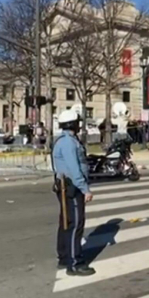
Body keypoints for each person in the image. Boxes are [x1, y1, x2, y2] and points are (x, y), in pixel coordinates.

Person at [52, 110, 95, 276]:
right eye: (77, 122)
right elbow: (74, 168)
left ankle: (64, 256)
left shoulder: (62, 140)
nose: (79, 125)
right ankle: (75, 262)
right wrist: (85, 189)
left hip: (64, 185)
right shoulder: (69, 143)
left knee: (65, 222)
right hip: (71, 186)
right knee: (75, 224)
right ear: (72, 124)